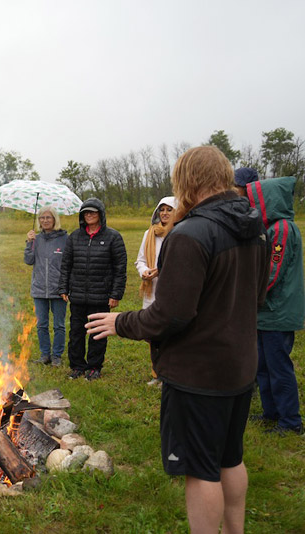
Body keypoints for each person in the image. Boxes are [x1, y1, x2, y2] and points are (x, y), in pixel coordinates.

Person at [86, 146, 269, 533]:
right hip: (240, 367)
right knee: (230, 458)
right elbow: (257, 298)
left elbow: (170, 314)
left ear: (186, 181)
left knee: (201, 470)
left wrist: (121, 322)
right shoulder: (256, 228)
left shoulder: (191, 234)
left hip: (199, 376)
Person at [245, 175, 304, 435]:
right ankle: (271, 413)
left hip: (276, 312)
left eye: (257, 201)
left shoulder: (281, 229)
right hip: (265, 312)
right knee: (263, 366)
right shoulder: (272, 228)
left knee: (278, 367)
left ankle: (290, 421)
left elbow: (271, 272)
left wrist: (247, 296)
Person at [57, 198, 126, 380]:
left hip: (101, 295)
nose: (89, 215)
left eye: (93, 212)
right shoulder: (75, 237)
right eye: (86, 212)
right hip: (78, 294)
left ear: (100, 215)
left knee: (97, 333)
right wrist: (63, 287)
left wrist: (115, 294)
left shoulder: (113, 237)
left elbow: (120, 268)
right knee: (76, 333)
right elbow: (66, 265)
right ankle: (77, 366)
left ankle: (94, 367)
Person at [135, 196, 177, 386]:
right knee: (153, 335)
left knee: (170, 335)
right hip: (152, 291)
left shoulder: (180, 233)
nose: (165, 213)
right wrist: (145, 272)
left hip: (172, 293)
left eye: (169, 209)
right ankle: (157, 373)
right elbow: (141, 260)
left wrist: (162, 270)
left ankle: (170, 376)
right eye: (162, 210)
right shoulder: (150, 234)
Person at [24, 205, 67, 366]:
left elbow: (69, 263)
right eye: (42, 218)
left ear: (54, 219)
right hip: (39, 289)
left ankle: (56, 355)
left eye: (48, 217)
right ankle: (45, 355)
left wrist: (65, 287)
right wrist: (29, 243)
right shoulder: (36, 239)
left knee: (59, 325)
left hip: (59, 290)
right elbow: (28, 261)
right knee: (41, 324)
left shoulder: (64, 239)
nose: (45, 220)